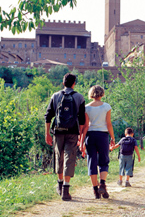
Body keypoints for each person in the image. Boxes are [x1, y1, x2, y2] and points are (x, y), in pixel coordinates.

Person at [45, 73, 86, 201]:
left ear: (63, 83)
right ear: (74, 84)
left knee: (59, 156)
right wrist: (80, 136)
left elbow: (48, 116)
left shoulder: (55, 96)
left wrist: (47, 133)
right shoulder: (79, 97)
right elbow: (82, 119)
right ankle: (66, 190)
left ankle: (59, 183)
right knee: (70, 157)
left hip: (58, 131)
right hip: (73, 132)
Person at [81, 85, 115, 199]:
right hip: (103, 135)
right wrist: (113, 138)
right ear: (102, 94)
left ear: (91, 94)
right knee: (104, 161)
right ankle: (103, 184)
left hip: (90, 135)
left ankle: (95, 190)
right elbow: (109, 123)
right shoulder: (106, 106)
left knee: (92, 162)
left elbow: (85, 126)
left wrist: (81, 142)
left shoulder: (86, 108)